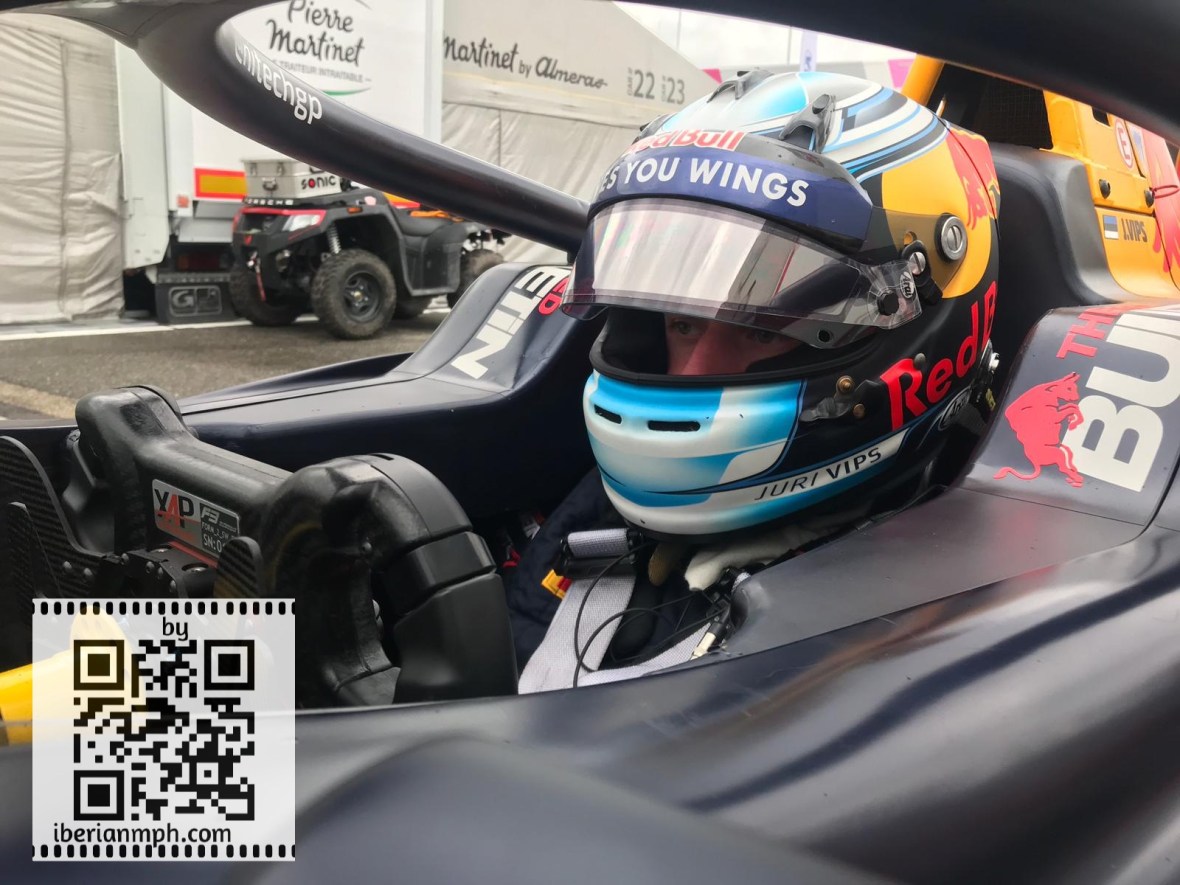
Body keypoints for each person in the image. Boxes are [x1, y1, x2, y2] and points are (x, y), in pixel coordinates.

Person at [503, 70, 1001, 693]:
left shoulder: (964, 618)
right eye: (682, 323)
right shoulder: (592, 510)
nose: (691, 371)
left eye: (764, 331)